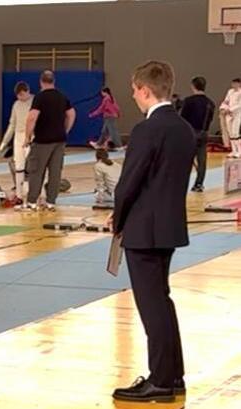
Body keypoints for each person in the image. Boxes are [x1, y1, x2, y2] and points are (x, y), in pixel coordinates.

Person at [108, 60, 194, 403]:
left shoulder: (147, 130)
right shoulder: (184, 129)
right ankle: (173, 375)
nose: (132, 96)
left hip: (144, 228)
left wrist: (117, 217)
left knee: (152, 306)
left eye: (133, 90)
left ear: (144, 90)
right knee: (162, 301)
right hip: (170, 224)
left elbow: (129, 182)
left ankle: (160, 380)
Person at [24, 70, 76, 212]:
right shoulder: (62, 96)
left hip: (42, 140)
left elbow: (32, 117)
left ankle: (32, 202)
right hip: (59, 140)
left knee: (36, 171)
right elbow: (71, 114)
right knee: (55, 172)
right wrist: (66, 130)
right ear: (54, 81)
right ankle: (51, 202)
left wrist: (27, 137)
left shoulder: (40, 98)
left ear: (41, 81)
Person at [0, 81, 33, 203]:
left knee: (31, 166)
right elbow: (12, 124)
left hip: (32, 136)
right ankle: (19, 195)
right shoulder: (16, 104)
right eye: (18, 96)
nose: (20, 98)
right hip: (18, 136)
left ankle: (32, 194)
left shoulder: (35, 102)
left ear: (27, 91)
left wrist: (32, 136)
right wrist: (4, 141)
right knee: (18, 165)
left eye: (22, 95)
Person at [180, 76, 216, 192]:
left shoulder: (188, 101)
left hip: (191, 132)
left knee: (185, 160)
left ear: (193, 86)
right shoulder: (210, 103)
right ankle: (199, 184)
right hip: (204, 133)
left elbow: (183, 119)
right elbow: (210, 119)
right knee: (202, 160)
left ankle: (181, 184)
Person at [219, 78, 241, 158]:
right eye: (233, 83)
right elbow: (226, 101)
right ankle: (234, 150)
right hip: (228, 114)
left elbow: (239, 105)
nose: (234, 85)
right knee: (230, 132)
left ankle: (239, 150)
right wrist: (223, 108)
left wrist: (231, 110)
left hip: (237, 114)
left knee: (235, 132)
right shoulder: (230, 92)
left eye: (236, 83)